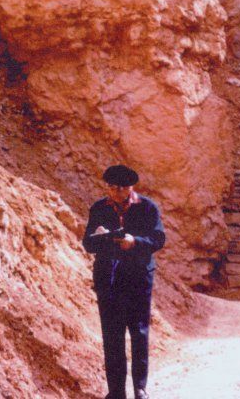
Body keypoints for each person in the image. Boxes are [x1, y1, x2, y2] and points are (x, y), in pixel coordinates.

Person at [83, 165, 165, 399]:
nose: (114, 193)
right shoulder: (99, 208)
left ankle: (140, 387)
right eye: (111, 188)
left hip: (138, 277)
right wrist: (102, 237)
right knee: (112, 334)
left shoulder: (148, 208)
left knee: (139, 332)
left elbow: (158, 239)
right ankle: (116, 391)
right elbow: (88, 244)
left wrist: (135, 241)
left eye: (119, 189)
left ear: (130, 188)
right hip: (108, 277)